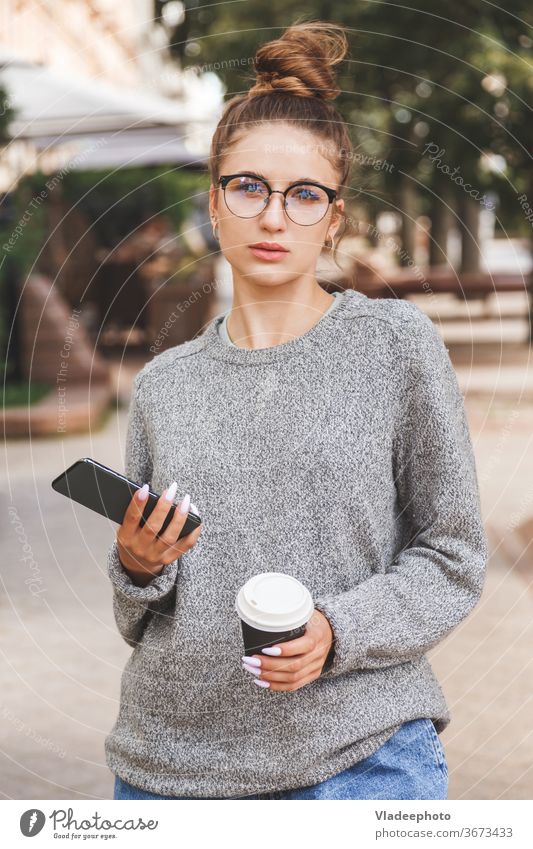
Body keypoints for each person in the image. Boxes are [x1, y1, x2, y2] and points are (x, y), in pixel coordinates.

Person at [106, 20, 488, 801]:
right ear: (214, 203)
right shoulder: (164, 385)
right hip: (166, 766)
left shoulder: (393, 345)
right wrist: (138, 567)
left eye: (303, 194)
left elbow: (451, 553)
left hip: (357, 759)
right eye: (247, 186)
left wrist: (336, 631)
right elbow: (139, 612)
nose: (273, 216)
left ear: (334, 217)